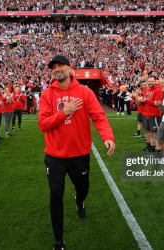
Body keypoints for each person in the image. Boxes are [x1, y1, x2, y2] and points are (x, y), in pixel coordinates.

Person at [38, 55, 115, 250]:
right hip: (54, 155)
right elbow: (43, 125)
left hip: (79, 153)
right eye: (53, 67)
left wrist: (108, 136)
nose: (57, 69)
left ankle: (79, 200)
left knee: (83, 188)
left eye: (60, 66)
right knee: (55, 195)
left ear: (70, 68)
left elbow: (98, 116)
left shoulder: (84, 92)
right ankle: (58, 240)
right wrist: (64, 112)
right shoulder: (47, 94)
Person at [138, 76, 164, 153]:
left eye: (152, 81)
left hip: (154, 115)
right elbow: (146, 102)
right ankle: (152, 150)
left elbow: (157, 103)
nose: (150, 83)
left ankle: (158, 151)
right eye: (149, 81)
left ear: (155, 81)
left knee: (155, 134)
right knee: (149, 134)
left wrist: (146, 101)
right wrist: (142, 101)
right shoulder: (147, 90)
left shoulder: (158, 90)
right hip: (147, 114)